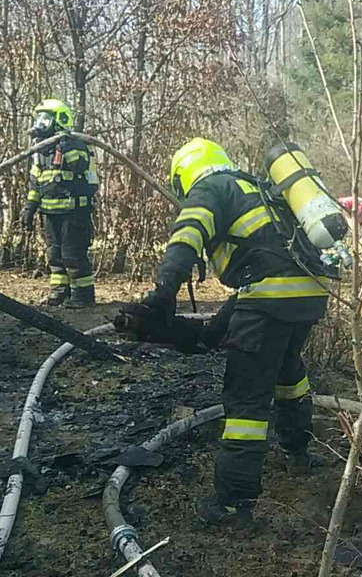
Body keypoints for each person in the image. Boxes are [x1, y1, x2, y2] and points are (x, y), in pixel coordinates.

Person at [133, 138, 333, 530]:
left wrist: (163, 293)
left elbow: (187, 235)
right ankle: (297, 453)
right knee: (287, 372)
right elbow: (268, 258)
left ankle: (232, 505)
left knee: (246, 400)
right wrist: (215, 328)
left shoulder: (211, 188)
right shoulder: (254, 186)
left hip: (270, 297)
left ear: (184, 175)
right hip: (308, 293)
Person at [20, 99, 99, 307]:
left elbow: (79, 165)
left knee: (72, 255)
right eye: (39, 118)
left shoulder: (77, 144)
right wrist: (29, 208)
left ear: (60, 120)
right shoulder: (41, 151)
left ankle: (83, 295)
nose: (40, 123)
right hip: (50, 213)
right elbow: (35, 182)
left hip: (74, 211)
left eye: (45, 118)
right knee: (54, 254)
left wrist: (65, 145)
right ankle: (59, 291)